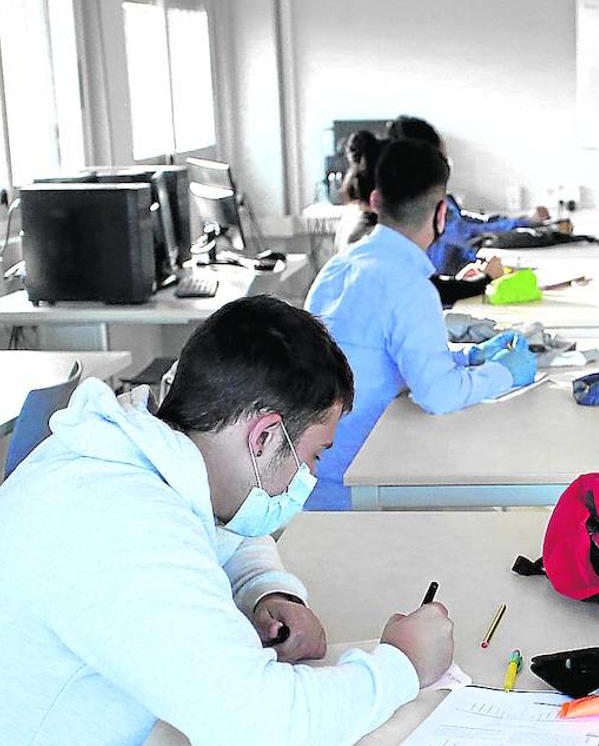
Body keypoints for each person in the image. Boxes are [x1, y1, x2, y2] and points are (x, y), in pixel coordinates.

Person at [0, 295, 455, 746]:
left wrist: (267, 590)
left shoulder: (150, 451)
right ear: (264, 437)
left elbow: (227, 530)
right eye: (312, 456)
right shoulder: (120, 521)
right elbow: (265, 725)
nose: (308, 476)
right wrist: (403, 664)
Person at [305, 138, 536, 510]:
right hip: (359, 483)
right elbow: (438, 395)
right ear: (442, 213)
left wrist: (468, 357)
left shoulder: (339, 267)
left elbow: (377, 358)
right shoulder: (409, 285)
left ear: (376, 201)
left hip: (311, 477)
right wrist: (503, 373)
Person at [333, 127, 505, 308]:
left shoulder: (361, 221)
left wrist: (462, 282)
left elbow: (420, 285)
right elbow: (423, 290)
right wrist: (484, 280)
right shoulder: (373, 236)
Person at [386, 115, 551, 279]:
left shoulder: (441, 201)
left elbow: (474, 222)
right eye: (443, 159)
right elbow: (468, 235)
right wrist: (524, 223)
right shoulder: (420, 208)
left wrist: (524, 221)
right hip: (450, 292)